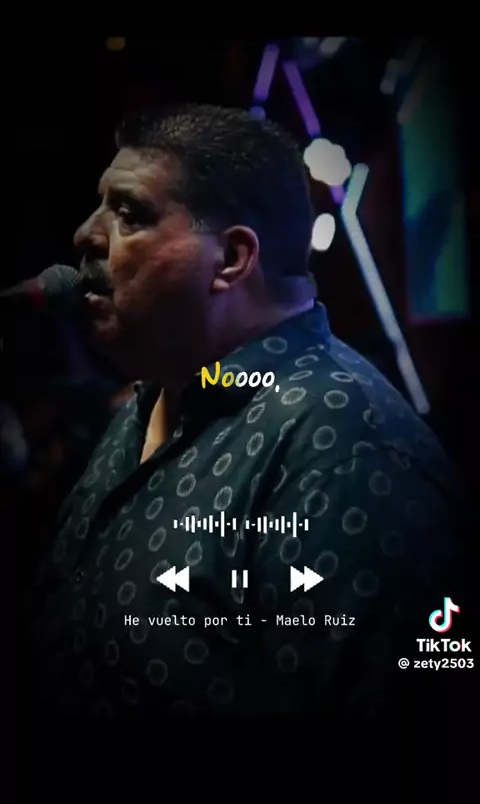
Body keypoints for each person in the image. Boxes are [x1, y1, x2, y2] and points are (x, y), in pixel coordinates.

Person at [28, 104, 469, 719]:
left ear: (232, 259)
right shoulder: (157, 396)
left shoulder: (351, 454)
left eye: (130, 213)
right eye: (101, 205)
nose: (86, 233)